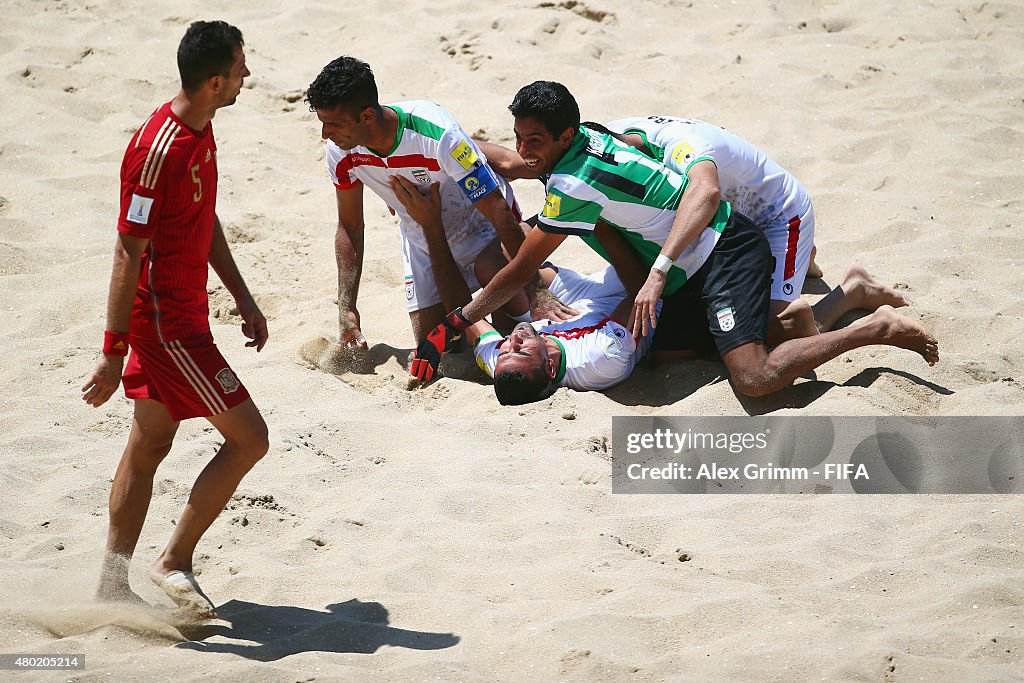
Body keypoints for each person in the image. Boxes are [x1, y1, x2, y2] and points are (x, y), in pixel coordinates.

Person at [420, 81, 939, 398]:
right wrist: (440, 143)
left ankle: (874, 330)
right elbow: (511, 167)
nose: (522, 149)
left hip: (725, 246)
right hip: (686, 258)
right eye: (518, 135)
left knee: (753, 377)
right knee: (691, 352)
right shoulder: (590, 136)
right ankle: (841, 296)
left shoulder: (574, 183)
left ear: (563, 136)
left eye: (534, 139)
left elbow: (518, 271)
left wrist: (451, 325)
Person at [81, 21, 269, 620]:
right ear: (215, 80)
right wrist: (112, 351)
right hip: (167, 327)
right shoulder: (159, 150)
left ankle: (111, 586)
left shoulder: (201, 128)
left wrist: (241, 294)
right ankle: (173, 560)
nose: (247, 75)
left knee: (151, 441)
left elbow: (202, 219)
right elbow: (126, 250)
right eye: (241, 67)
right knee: (251, 438)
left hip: (187, 317)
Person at [304, 57, 572, 350]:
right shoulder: (342, 153)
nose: (325, 134)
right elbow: (350, 225)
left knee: (511, 336)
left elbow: (496, 209)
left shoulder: (436, 133)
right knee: (441, 349)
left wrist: (534, 288)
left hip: (481, 228)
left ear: (367, 115)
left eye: (333, 124)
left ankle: (547, 276)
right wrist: (346, 307)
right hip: (421, 234)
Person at [390, 175, 656, 403]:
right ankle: (568, 209)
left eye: (505, 349)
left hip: (566, 305)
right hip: (622, 298)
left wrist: (431, 226)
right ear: (551, 368)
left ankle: (558, 212)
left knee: (489, 265)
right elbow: (639, 292)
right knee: (607, 220)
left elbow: (468, 319)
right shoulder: (599, 360)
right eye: (522, 349)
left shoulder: (503, 364)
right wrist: (595, 219)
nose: (511, 341)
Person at [600, 114, 823, 332]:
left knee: (773, 326)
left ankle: (852, 290)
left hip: (780, 214)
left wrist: (660, 270)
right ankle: (801, 258)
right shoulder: (609, 137)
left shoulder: (676, 146)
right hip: (736, 217)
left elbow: (708, 192)